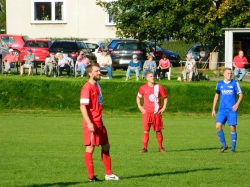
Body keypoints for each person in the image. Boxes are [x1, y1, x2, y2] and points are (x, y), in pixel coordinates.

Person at [80, 63, 119, 182]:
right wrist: (89, 123)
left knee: (106, 146)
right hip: (92, 123)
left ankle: (109, 174)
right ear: (90, 73)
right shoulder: (87, 87)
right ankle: (91, 176)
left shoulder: (98, 85)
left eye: (99, 70)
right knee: (90, 148)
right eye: (97, 71)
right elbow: (83, 106)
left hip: (100, 122)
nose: (99, 72)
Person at [212, 67, 243, 153]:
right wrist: (213, 109)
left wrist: (236, 104)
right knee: (217, 126)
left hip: (232, 110)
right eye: (228, 73)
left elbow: (241, 95)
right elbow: (216, 96)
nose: (229, 75)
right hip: (222, 110)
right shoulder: (220, 84)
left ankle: (233, 148)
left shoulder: (234, 83)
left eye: (230, 73)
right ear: (224, 74)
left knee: (232, 128)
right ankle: (224, 145)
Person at [136, 71, 168, 153]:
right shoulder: (143, 88)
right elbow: (138, 97)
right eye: (150, 76)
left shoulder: (159, 87)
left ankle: (160, 148)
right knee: (146, 130)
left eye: (153, 76)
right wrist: (140, 107)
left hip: (156, 113)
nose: (152, 77)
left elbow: (165, 97)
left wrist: (164, 107)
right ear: (146, 78)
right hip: (146, 113)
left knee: (158, 130)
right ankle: (144, 148)